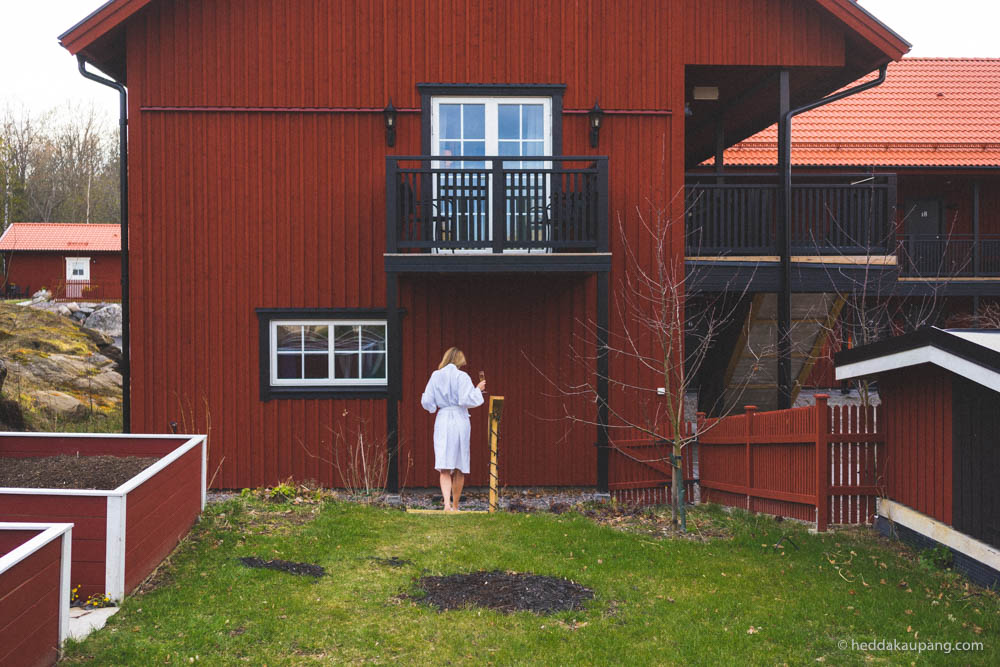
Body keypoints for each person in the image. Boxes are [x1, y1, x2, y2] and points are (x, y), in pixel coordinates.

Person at [420, 347, 486, 512]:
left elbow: (427, 400)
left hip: (443, 419)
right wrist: (479, 389)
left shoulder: (436, 376)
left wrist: (434, 406)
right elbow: (467, 399)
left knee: (444, 464)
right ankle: (455, 505)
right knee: (459, 463)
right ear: (458, 360)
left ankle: (447, 504)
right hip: (459, 418)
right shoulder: (462, 376)